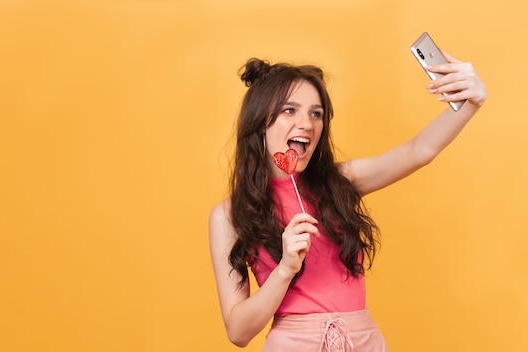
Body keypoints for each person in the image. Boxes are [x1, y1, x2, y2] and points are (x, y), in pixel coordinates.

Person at [208, 51, 486, 351]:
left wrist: (470, 104)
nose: (307, 123)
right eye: (290, 110)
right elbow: (238, 332)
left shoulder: (340, 182)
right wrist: (286, 267)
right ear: (260, 121)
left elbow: (418, 151)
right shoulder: (228, 215)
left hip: (364, 342)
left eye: (316, 113)